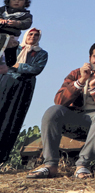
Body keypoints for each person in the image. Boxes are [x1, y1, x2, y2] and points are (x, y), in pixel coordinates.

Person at [27, 41, 95, 179]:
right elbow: (59, 101)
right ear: (90, 57)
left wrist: (94, 86)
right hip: (78, 119)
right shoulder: (76, 73)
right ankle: (50, 165)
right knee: (53, 111)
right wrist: (82, 80)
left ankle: (82, 165)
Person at [0, 28, 47, 164]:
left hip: (23, 88)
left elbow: (36, 69)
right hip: (5, 83)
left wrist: (16, 65)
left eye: (36, 35)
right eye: (31, 34)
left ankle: (2, 157)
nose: (33, 37)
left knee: (13, 119)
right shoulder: (13, 49)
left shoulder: (42, 54)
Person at [1, 0, 33, 71]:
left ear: (25, 3)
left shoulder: (25, 15)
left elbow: (27, 23)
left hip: (12, 35)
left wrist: (17, 23)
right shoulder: (3, 10)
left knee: (10, 46)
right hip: (1, 31)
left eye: (20, 0)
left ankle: (9, 60)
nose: (17, 1)